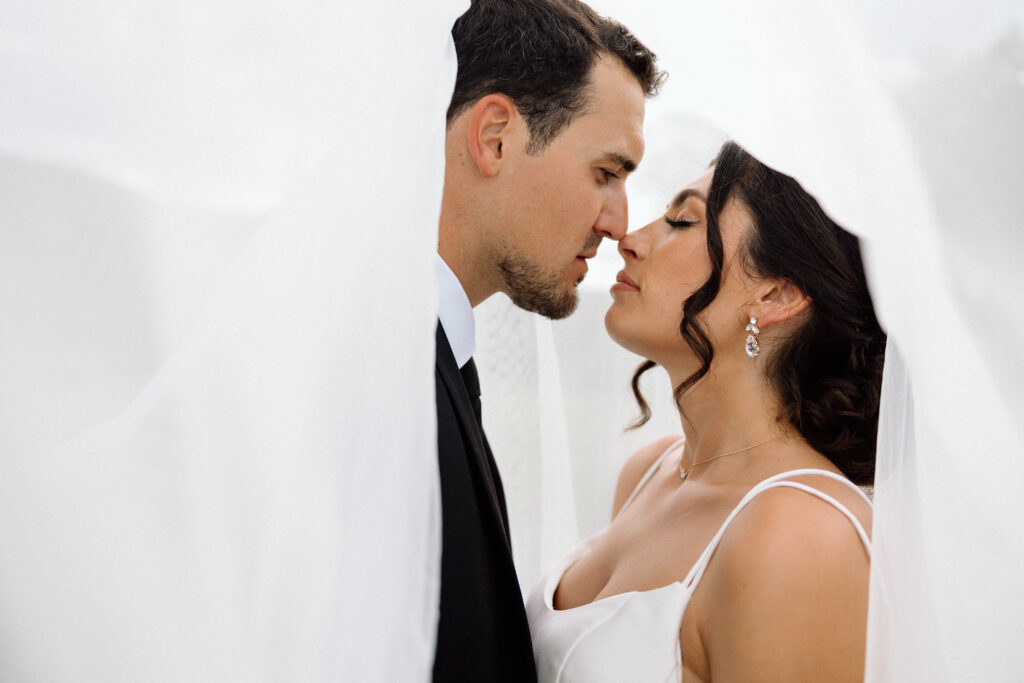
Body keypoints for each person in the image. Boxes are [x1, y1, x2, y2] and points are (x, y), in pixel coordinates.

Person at [526, 141, 887, 682]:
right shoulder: (648, 472)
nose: (628, 239)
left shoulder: (800, 536)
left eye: (682, 221)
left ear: (776, 294)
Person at [433, 1, 663, 680]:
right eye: (606, 172)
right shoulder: (376, 373)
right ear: (496, 136)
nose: (621, 222)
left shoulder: (437, 355)